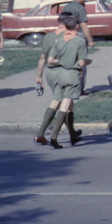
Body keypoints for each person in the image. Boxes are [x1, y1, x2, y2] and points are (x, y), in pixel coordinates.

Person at [43, 13, 90, 148]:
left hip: (60, 74)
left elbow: (50, 60)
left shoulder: (59, 41)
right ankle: (54, 137)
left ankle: (72, 135)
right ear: (76, 26)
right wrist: (88, 61)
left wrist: (62, 61)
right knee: (65, 106)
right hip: (72, 76)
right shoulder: (79, 41)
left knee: (64, 104)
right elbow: (81, 62)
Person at [34, 13, 81, 147]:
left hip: (50, 73)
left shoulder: (48, 36)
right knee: (63, 103)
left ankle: (71, 133)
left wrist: (38, 77)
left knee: (65, 102)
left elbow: (43, 57)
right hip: (64, 72)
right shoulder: (70, 37)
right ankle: (47, 134)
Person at [62, 0, 95, 95]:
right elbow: (84, 25)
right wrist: (90, 40)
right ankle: (79, 88)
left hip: (67, 35)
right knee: (81, 62)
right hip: (79, 36)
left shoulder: (66, 7)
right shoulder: (80, 8)